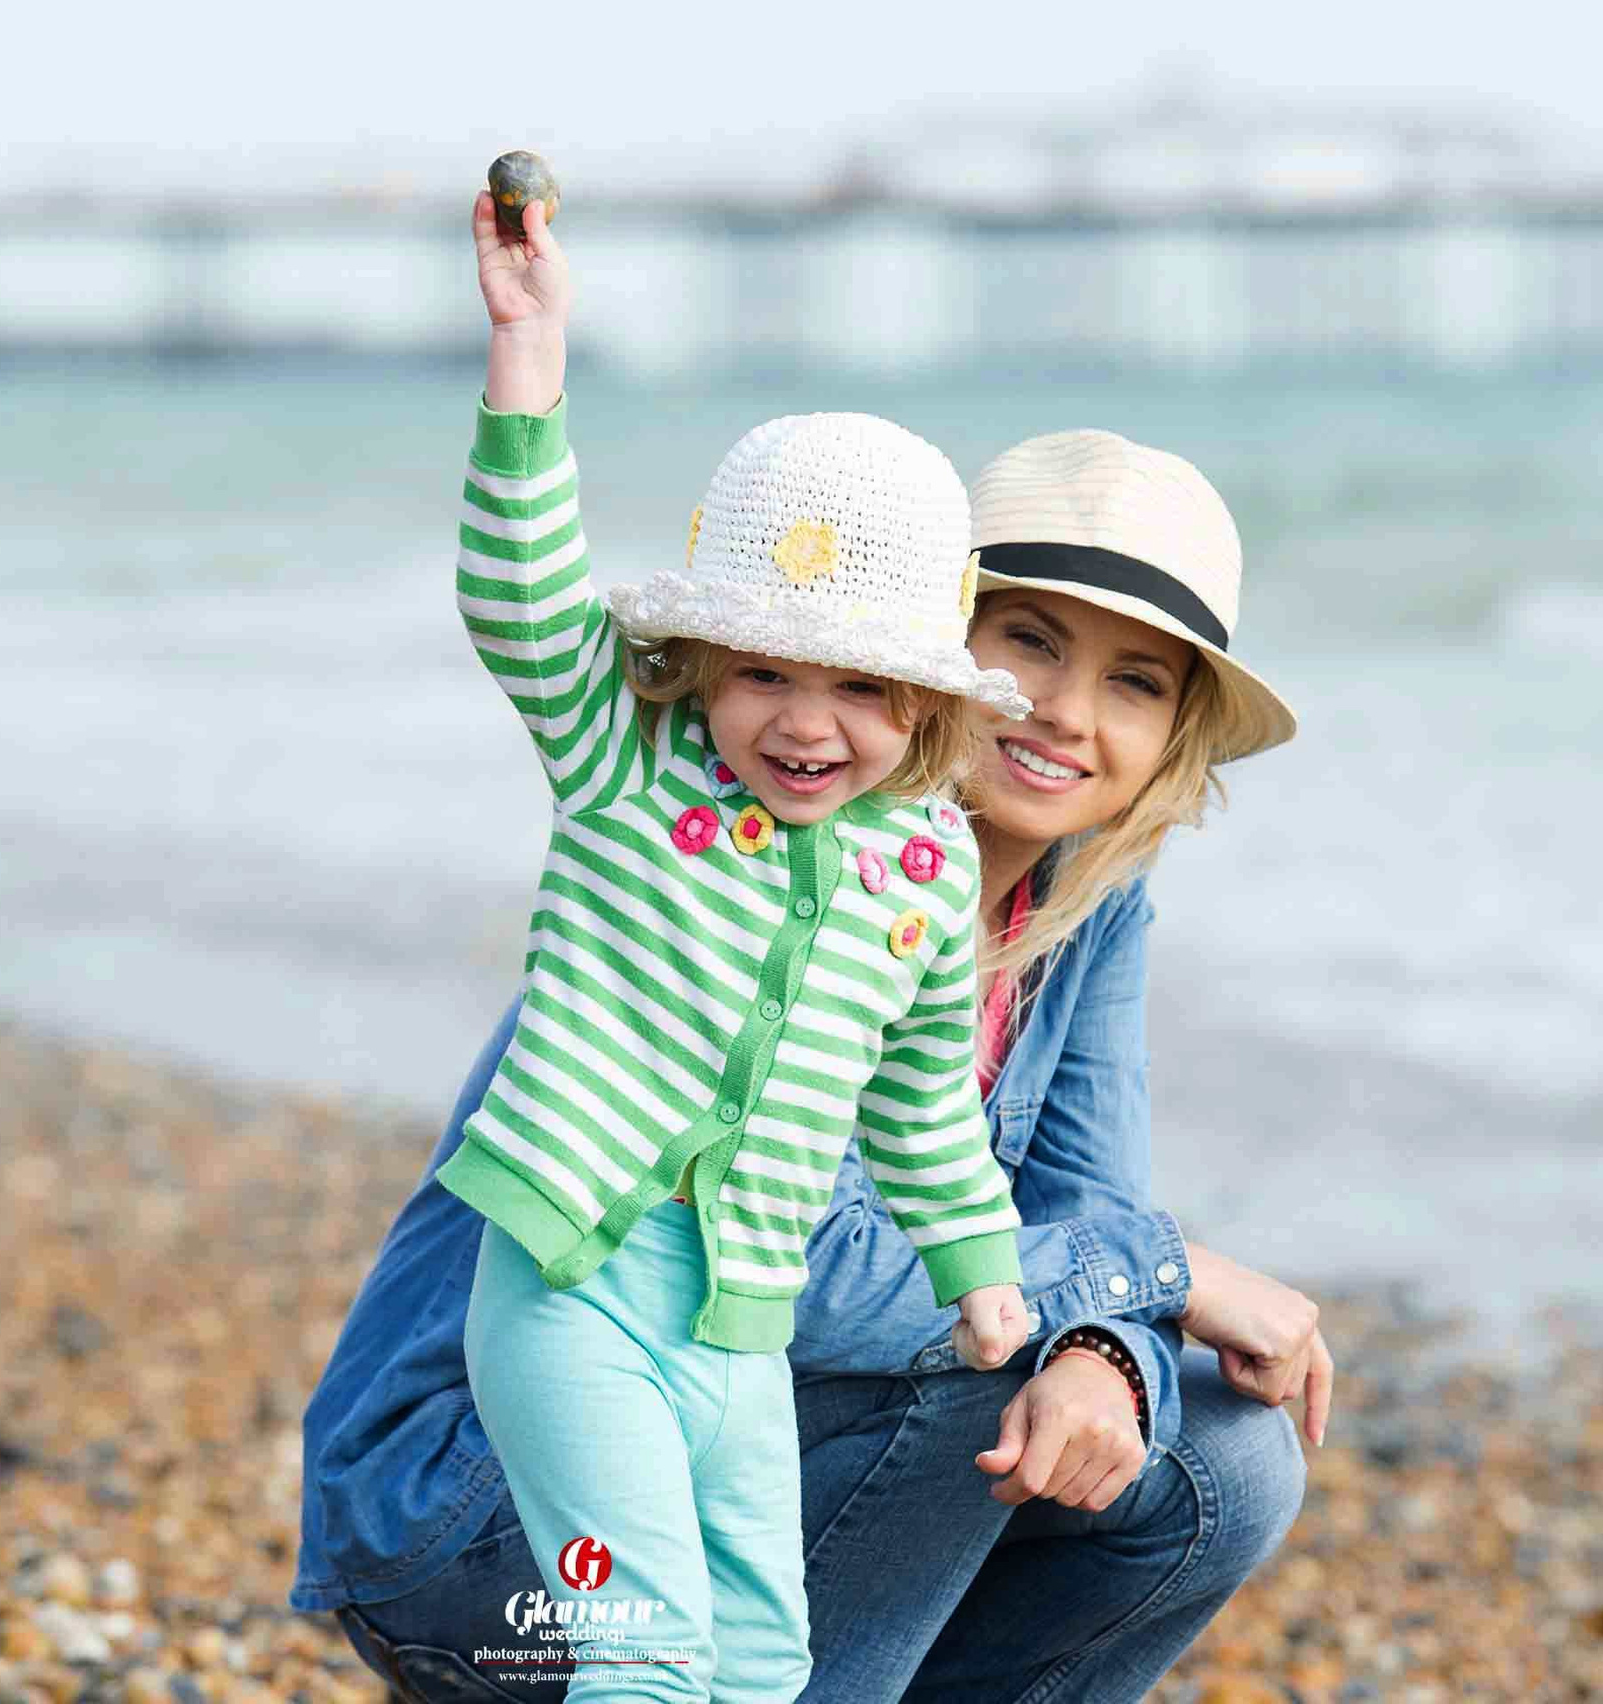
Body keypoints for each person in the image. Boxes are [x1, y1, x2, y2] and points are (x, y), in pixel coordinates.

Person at [293, 245, 1337, 1704]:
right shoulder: (706, 837)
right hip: (491, 1520)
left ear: (1173, 739)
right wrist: (1161, 1277)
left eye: (1137, 683)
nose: (1062, 715)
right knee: (978, 1357)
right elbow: (831, 1282)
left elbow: (1083, 1207)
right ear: (924, 640)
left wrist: (1110, 1339)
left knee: (1222, 1457)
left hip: (733, 1437)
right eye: (1027, 642)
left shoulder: (1085, 911)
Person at [437, 182, 1049, 1703]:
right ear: (698, 662)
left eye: (857, 685)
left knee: (765, 1657)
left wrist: (976, 1260)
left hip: (738, 1327)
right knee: (643, 1651)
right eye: (762, 670)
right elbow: (517, 591)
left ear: (924, 707)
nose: (804, 720)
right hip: (571, 1282)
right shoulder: (626, 758)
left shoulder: (925, 862)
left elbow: (916, 1101)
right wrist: (529, 352)